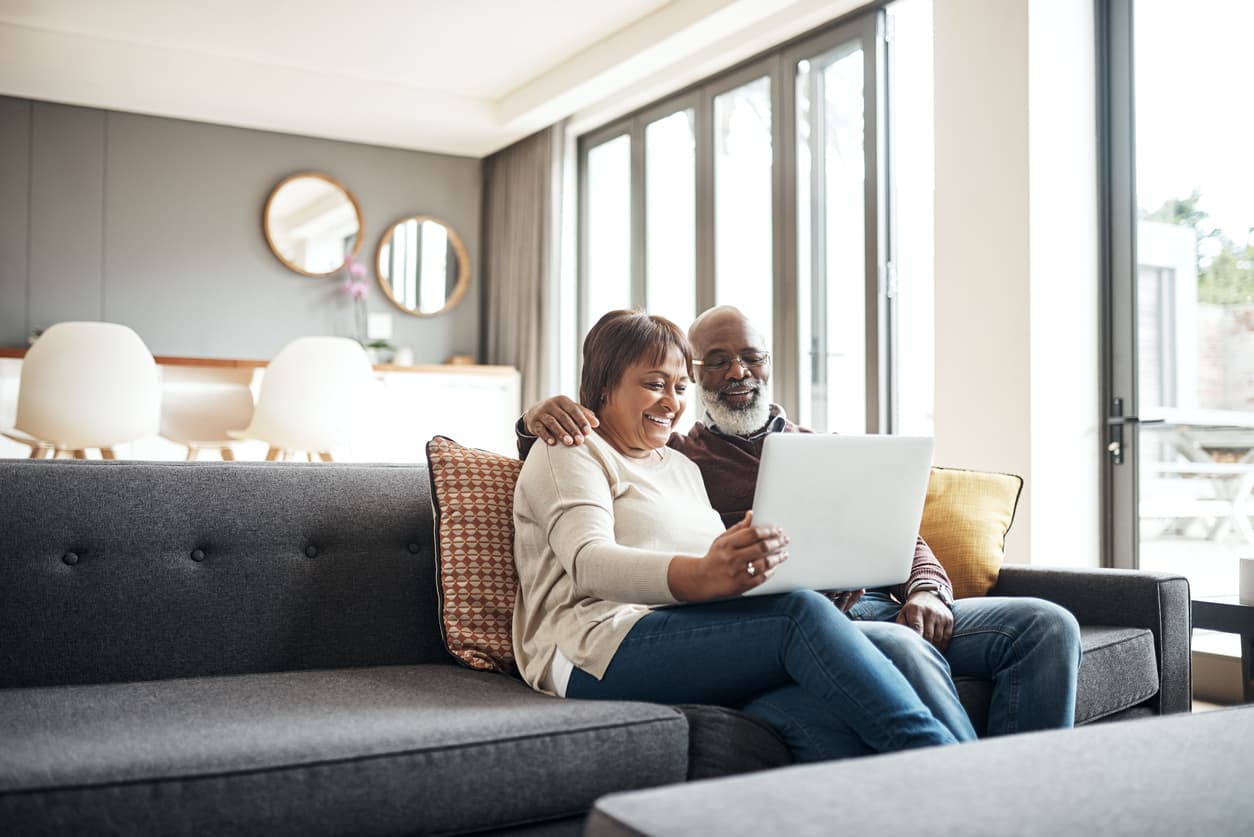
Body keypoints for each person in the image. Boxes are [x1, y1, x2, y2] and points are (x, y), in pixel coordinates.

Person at [519, 305, 1082, 737]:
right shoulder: (682, 453)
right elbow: (576, 506)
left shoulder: (710, 463)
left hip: (838, 605)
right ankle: (990, 793)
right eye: (713, 361)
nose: (735, 370)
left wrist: (929, 589)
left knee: (1045, 624)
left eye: (750, 357)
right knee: (883, 644)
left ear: (769, 363)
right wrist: (535, 420)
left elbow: (894, 530)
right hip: (759, 618)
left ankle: (1013, 790)